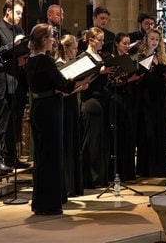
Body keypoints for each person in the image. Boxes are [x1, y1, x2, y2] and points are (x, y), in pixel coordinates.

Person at [26, 23, 78, 215]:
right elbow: (63, 85)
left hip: (39, 108)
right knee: (51, 156)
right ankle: (49, 204)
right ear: (44, 40)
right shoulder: (45, 61)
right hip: (50, 110)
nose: (54, 40)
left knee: (42, 156)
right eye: (51, 37)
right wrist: (75, 79)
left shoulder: (30, 59)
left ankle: (39, 202)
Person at [0, 0, 29, 169]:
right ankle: (0, 159)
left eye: (21, 13)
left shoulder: (19, 29)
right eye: (17, 12)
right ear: (8, 11)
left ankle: (12, 156)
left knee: (16, 120)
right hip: (4, 81)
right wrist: (12, 46)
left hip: (19, 81)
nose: (20, 16)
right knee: (3, 122)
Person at [80, 27, 114, 188]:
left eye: (102, 40)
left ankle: (101, 177)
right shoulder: (84, 56)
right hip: (91, 102)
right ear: (91, 40)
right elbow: (82, 78)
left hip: (103, 102)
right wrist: (100, 72)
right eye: (99, 40)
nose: (102, 43)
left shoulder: (99, 56)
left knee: (102, 141)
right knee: (91, 142)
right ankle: (90, 179)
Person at [136, 27, 166, 177]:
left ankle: (160, 168)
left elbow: (164, 77)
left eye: (157, 40)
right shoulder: (140, 57)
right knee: (147, 131)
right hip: (145, 97)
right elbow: (139, 78)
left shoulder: (161, 57)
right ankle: (146, 169)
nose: (154, 42)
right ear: (146, 40)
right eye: (151, 39)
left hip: (159, 98)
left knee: (159, 131)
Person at [54, 34, 85, 197]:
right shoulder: (59, 65)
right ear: (65, 48)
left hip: (73, 106)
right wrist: (81, 86)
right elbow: (61, 93)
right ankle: (67, 186)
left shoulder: (70, 64)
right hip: (64, 107)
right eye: (74, 48)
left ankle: (75, 185)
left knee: (73, 142)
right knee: (66, 144)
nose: (76, 51)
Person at [108, 33, 141, 181]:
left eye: (129, 44)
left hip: (130, 98)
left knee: (129, 135)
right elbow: (112, 82)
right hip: (117, 99)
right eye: (124, 43)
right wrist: (129, 79)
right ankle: (118, 171)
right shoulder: (112, 60)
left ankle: (129, 171)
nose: (127, 46)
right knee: (119, 136)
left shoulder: (131, 58)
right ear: (117, 44)